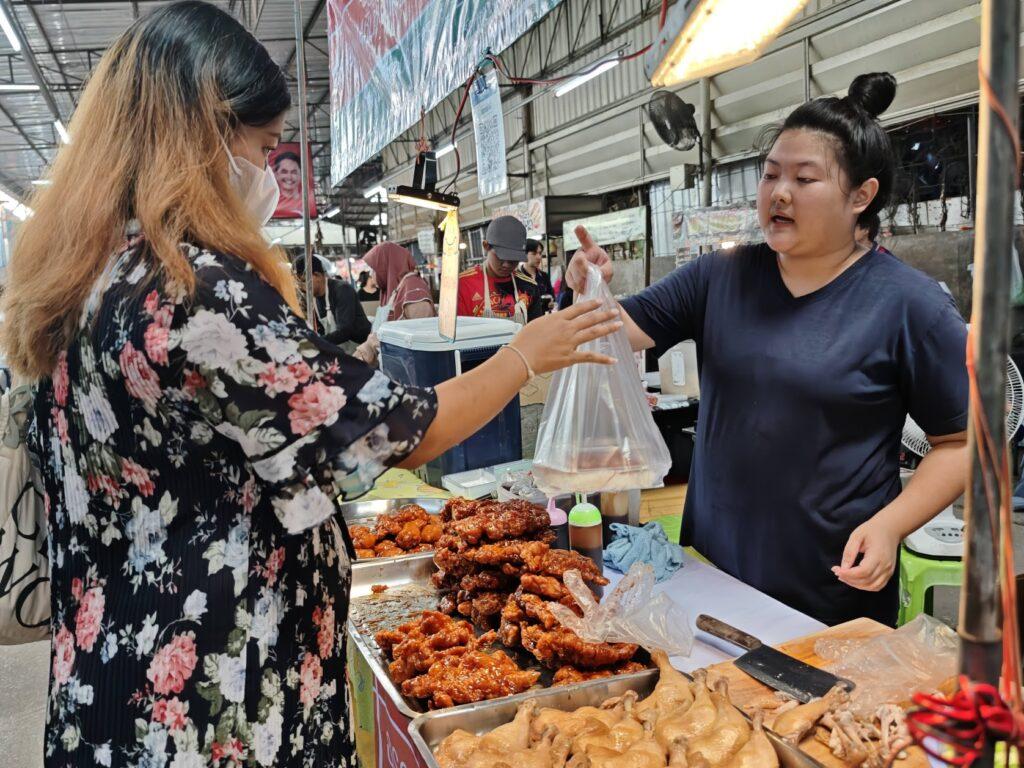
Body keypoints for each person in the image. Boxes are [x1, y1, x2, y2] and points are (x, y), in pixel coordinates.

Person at [0, 3, 621, 765]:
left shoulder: (88, 282)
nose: (265, 174)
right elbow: (402, 429)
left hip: (112, 686)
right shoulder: (195, 293)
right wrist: (525, 354)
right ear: (200, 137)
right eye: (261, 148)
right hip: (213, 710)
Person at [565, 72, 969, 627]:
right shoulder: (720, 277)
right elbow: (607, 331)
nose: (778, 193)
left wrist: (891, 524)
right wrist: (590, 286)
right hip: (710, 574)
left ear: (861, 196)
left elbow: (964, 443)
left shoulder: (909, 305)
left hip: (829, 591)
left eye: (805, 179)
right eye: (771, 174)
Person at [457, 215, 543, 322]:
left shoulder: (529, 287)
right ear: (486, 246)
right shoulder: (462, 285)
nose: (506, 265)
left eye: (513, 259)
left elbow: (535, 332)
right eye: (501, 257)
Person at [294, 254, 372, 347]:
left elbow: (345, 331)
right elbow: (320, 329)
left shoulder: (342, 290)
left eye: (303, 281)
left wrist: (316, 343)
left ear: (317, 275)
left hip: (358, 347)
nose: (300, 286)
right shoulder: (312, 299)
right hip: (339, 349)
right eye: (298, 282)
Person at [363, 242, 435, 323]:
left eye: (373, 270)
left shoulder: (413, 288)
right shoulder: (391, 290)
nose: (371, 275)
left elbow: (422, 330)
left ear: (385, 267)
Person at [271, 150, 304, 218]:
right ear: (276, 175)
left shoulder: (307, 203)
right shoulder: (271, 204)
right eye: (284, 172)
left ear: (301, 174)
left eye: (294, 172)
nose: (289, 177)